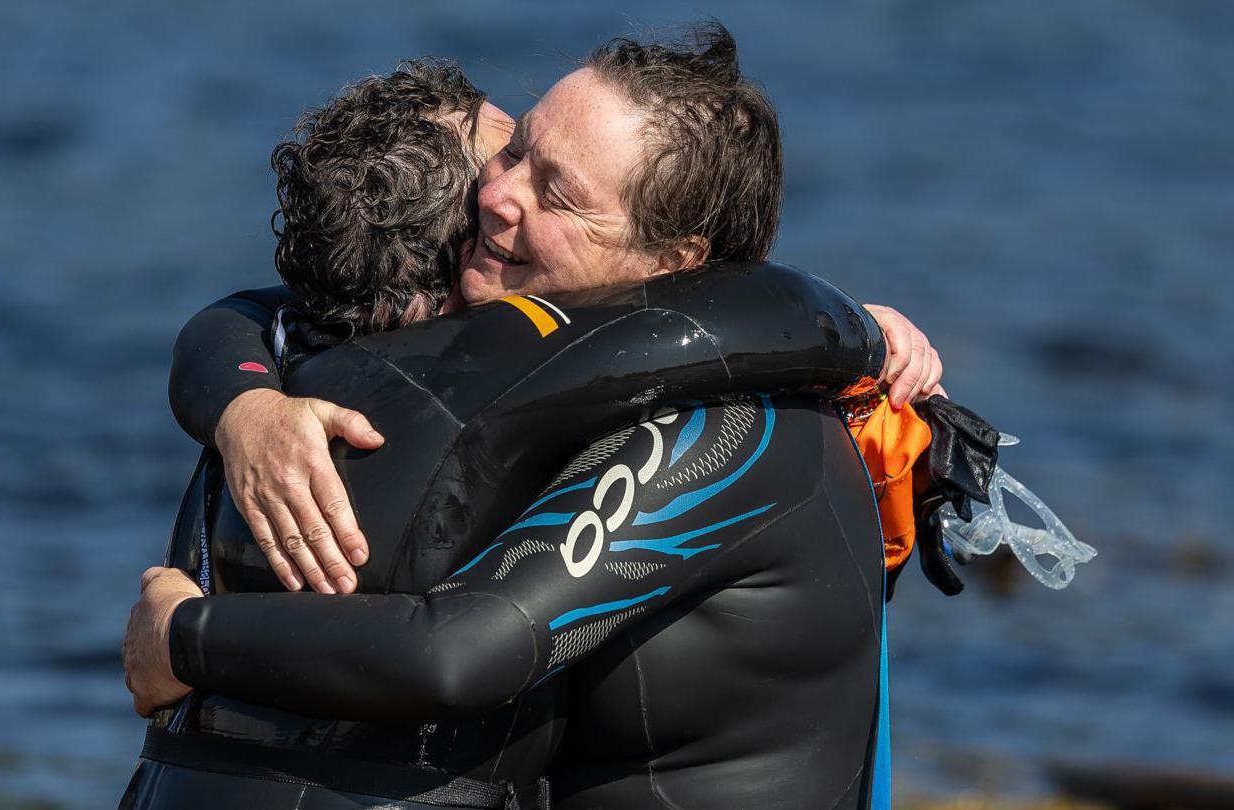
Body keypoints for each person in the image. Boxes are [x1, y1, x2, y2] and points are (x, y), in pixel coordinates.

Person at [126, 24, 942, 809]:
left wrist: (184, 639)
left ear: (676, 263)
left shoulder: (736, 428)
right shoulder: (565, 371)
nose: (498, 194)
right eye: (515, 152)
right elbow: (256, 316)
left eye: (558, 194)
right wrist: (247, 405)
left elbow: (459, 651)